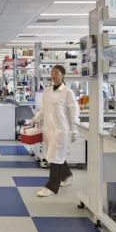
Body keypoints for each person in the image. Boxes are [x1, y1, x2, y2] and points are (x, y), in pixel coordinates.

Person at [31, 65, 80, 197]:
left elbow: (73, 112)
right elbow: (43, 109)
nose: (54, 75)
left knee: (55, 157)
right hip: (49, 129)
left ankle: (52, 186)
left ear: (63, 75)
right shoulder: (47, 91)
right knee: (56, 155)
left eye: (57, 73)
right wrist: (35, 119)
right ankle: (67, 175)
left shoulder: (67, 92)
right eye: (52, 73)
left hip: (61, 130)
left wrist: (74, 129)